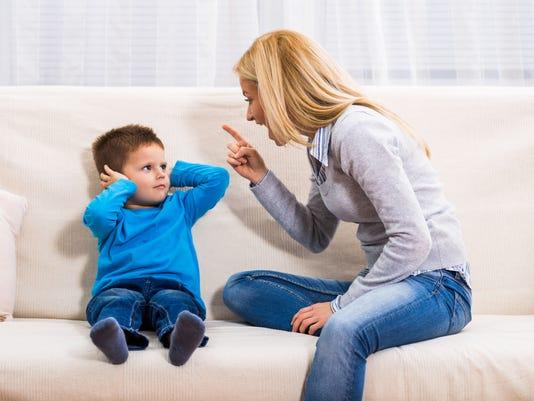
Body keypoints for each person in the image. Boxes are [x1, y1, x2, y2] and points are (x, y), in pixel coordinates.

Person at [221, 30, 472, 401]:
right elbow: (315, 234)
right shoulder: (321, 142)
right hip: (387, 282)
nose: (250, 114)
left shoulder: (356, 132)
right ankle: (375, 319)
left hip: (436, 285)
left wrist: (340, 307)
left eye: (251, 99)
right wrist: (261, 177)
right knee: (243, 288)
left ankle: (360, 324)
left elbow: (414, 240)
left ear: (276, 93)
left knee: (343, 328)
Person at [83, 124, 229, 365]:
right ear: (116, 179)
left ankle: (179, 338)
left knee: (176, 302)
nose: (160, 174)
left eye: (162, 165)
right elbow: (95, 215)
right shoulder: (114, 217)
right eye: (147, 168)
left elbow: (218, 179)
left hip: (173, 288)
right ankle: (117, 340)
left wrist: (173, 174)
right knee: (117, 301)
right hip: (120, 287)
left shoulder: (181, 207)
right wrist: (122, 188)